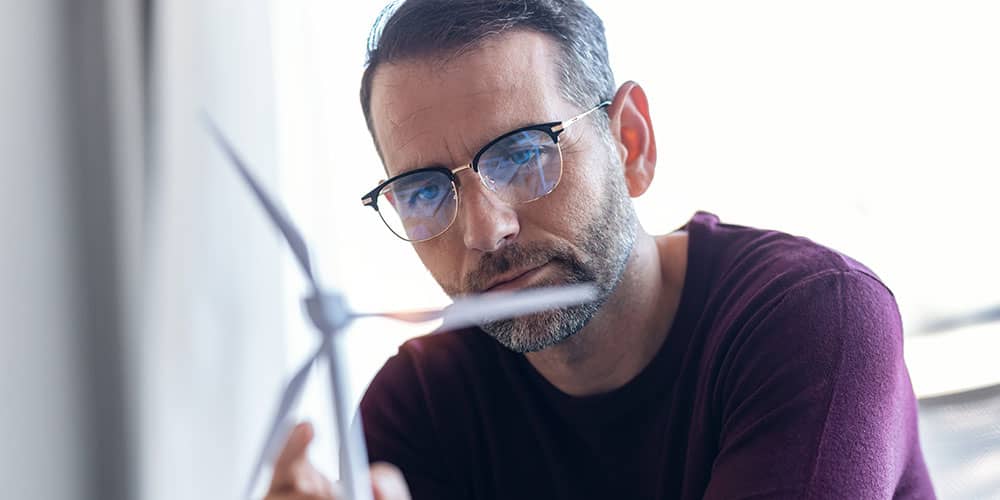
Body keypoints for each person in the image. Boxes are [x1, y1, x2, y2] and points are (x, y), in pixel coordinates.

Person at [265, 0, 936, 498]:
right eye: (423, 192)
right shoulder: (421, 402)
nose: (483, 231)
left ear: (631, 143)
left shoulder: (813, 319)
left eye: (523, 154)